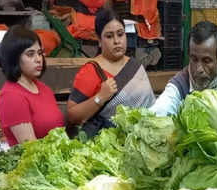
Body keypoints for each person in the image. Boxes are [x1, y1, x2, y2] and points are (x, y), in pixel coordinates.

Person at [66, 8, 155, 138]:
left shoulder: (135, 65)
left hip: (145, 138)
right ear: (99, 40)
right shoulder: (91, 71)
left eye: (120, 34)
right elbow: (72, 116)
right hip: (110, 147)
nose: (116, 41)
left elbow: (151, 105)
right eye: (109, 36)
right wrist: (100, 97)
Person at [149, 21, 217, 116]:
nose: (199, 69)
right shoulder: (181, 84)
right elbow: (162, 107)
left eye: (206, 61)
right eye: (194, 59)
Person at [0, 25, 65, 146]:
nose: (38, 59)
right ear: (14, 58)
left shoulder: (45, 89)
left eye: (39, 53)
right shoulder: (12, 97)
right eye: (30, 54)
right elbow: (31, 149)